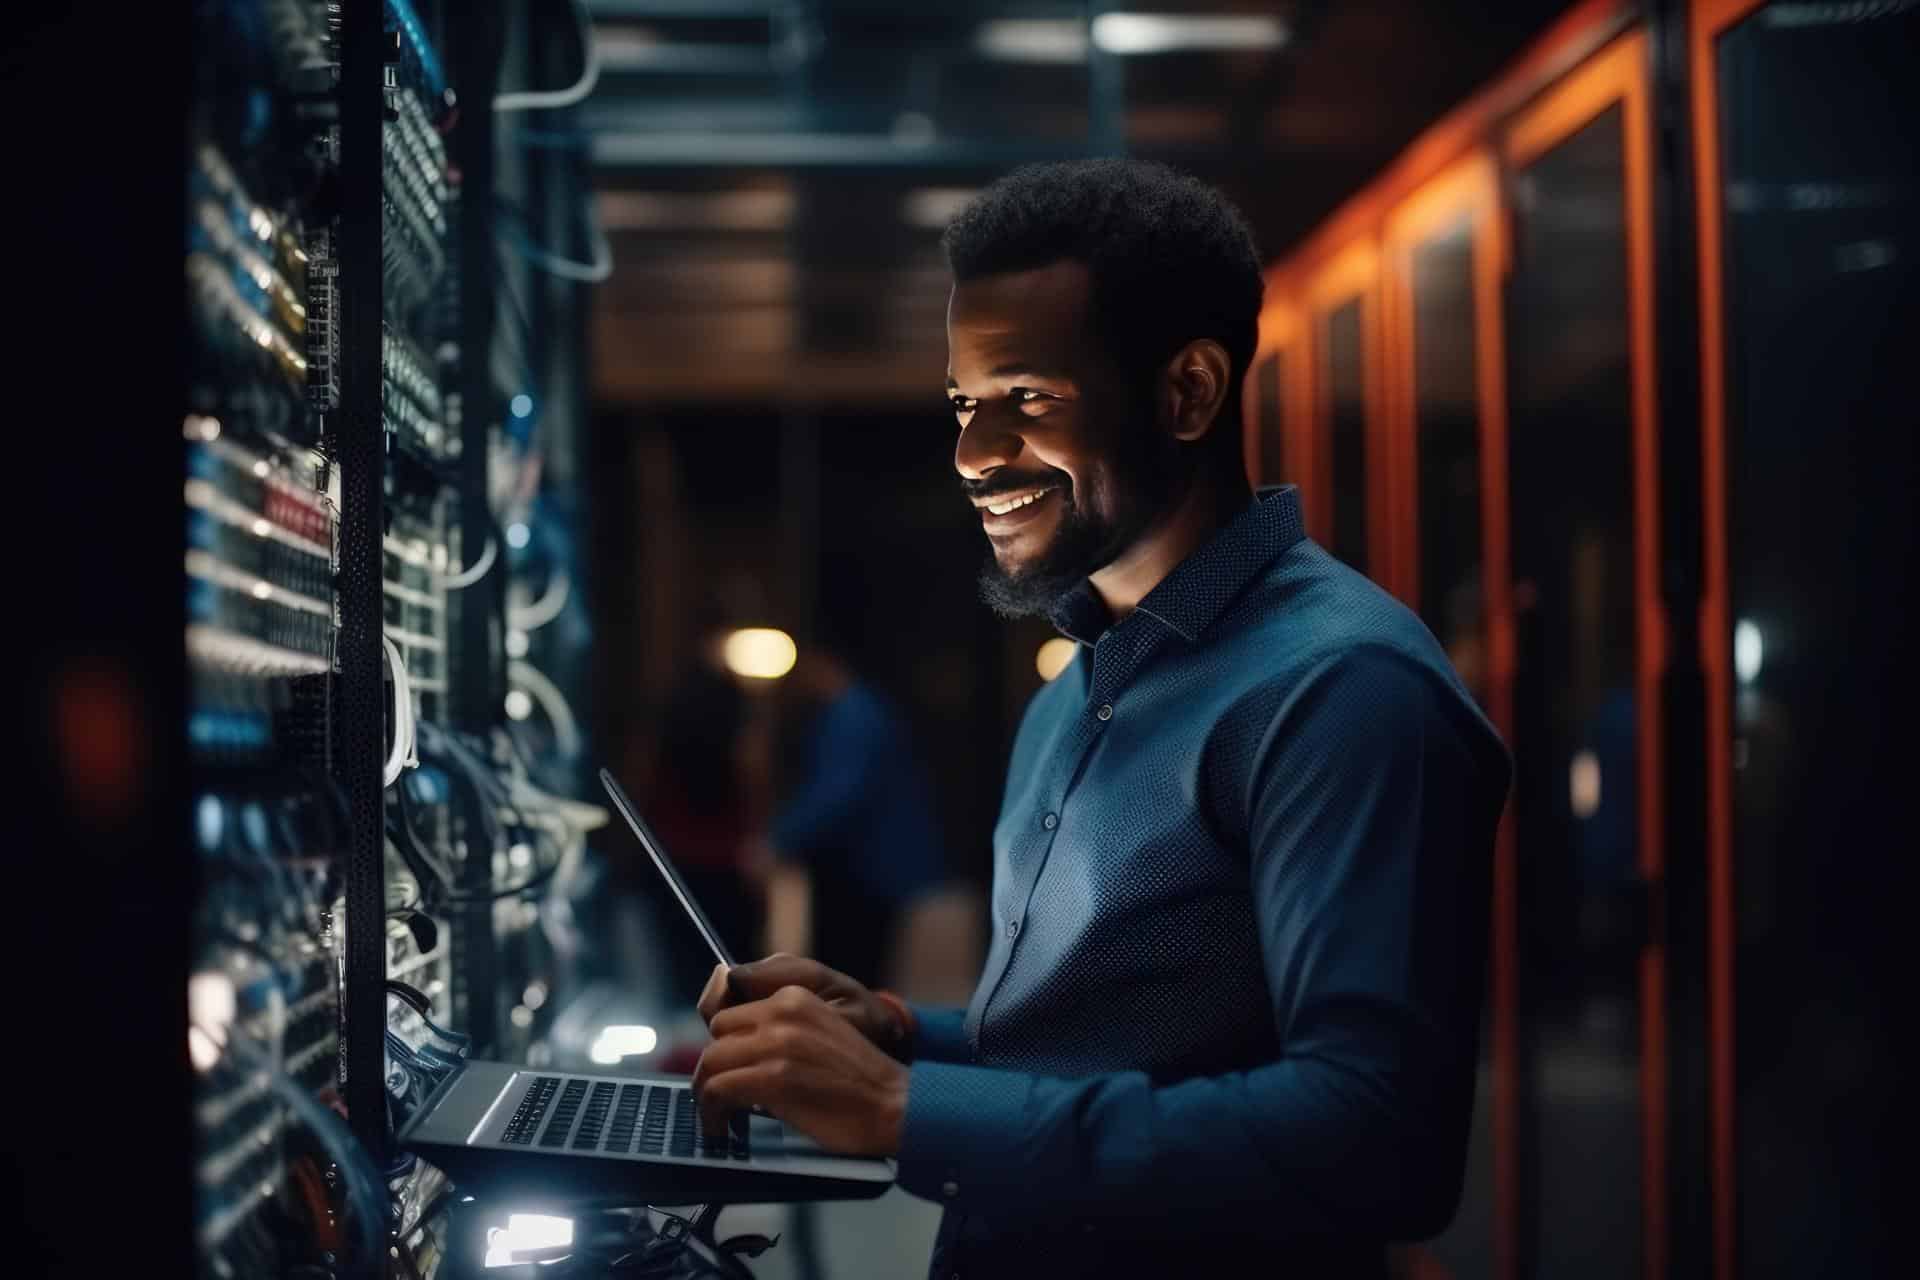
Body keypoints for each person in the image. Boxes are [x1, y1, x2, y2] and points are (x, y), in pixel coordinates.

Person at [689, 158, 1512, 1278]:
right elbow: (1113, 1046)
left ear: (1188, 392)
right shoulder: (1075, 687)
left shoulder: (1347, 689)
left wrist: (903, 1107)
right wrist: (898, 1031)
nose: (975, 456)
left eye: (1027, 399)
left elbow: (1380, 1137)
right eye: (964, 404)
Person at [754, 643, 947, 990]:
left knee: (851, 981)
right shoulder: (859, 711)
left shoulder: (854, 714)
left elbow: (838, 793)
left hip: (865, 871)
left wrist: (779, 841)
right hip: (871, 868)